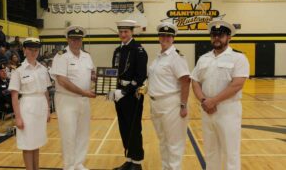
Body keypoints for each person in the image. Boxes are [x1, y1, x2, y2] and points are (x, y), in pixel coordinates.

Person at [191, 20, 250, 170]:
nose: (216, 38)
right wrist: (204, 100)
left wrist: (213, 101)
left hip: (228, 111)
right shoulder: (204, 58)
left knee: (231, 152)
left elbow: (237, 84)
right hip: (207, 110)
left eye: (221, 35)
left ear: (229, 37)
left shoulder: (239, 58)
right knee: (211, 151)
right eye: (214, 35)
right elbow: (195, 82)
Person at [50, 25, 96, 170]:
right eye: (73, 39)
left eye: (79, 39)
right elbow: (62, 80)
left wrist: (101, 80)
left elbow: (93, 75)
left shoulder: (87, 56)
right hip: (66, 100)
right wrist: (83, 92)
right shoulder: (61, 56)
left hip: (84, 100)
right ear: (68, 40)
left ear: (82, 40)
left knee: (83, 133)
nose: (76, 41)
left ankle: (78, 163)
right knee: (69, 134)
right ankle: (69, 166)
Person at [148, 22, 190, 170]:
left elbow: (186, 81)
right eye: (162, 35)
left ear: (173, 38)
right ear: (159, 37)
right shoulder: (159, 57)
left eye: (168, 36)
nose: (165, 38)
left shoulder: (176, 57)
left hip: (171, 104)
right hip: (156, 104)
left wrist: (183, 105)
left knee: (174, 143)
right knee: (163, 141)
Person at [107, 20, 148, 170]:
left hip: (132, 95)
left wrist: (125, 91)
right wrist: (112, 89)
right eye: (121, 32)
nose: (123, 34)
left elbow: (140, 76)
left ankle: (137, 162)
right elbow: (114, 72)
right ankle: (129, 159)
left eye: (126, 31)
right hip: (119, 94)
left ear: (132, 32)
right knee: (124, 128)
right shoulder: (118, 50)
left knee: (134, 129)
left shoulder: (139, 50)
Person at [9, 37, 51, 170]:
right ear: (24, 50)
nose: (33, 52)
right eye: (30, 49)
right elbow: (14, 95)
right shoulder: (19, 71)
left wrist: (48, 109)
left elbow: (45, 91)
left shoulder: (43, 69)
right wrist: (18, 117)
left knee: (36, 142)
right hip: (27, 107)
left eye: (36, 50)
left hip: (41, 107)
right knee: (27, 143)